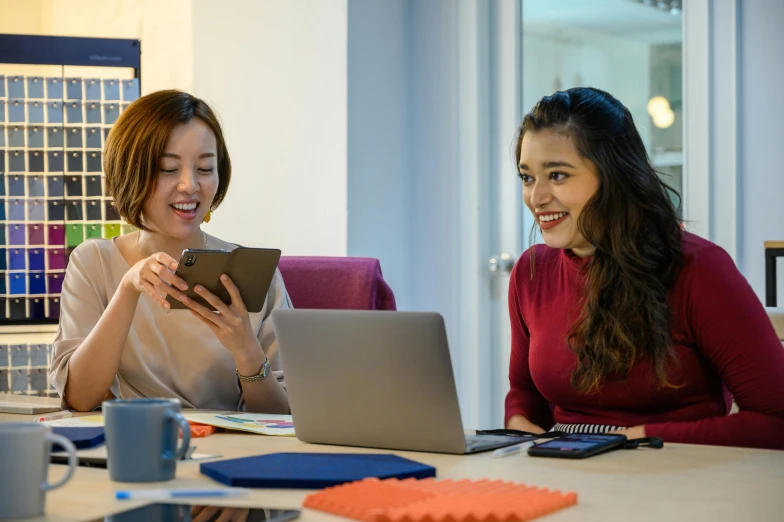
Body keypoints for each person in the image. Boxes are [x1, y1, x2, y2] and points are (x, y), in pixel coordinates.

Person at [505, 87, 784, 449]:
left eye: (557, 175)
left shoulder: (699, 269)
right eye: (527, 177)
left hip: (676, 477)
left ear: (614, 176)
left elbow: (776, 421)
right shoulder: (531, 272)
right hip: (568, 476)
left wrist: (633, 440)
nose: (536, 197)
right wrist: (519, 424)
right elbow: (525, 392)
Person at [49, 90, 291, 413]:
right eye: (168, 169)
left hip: (234, 456)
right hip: (136, 450)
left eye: (205, 169)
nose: (190, 185)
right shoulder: (93, 263)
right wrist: (128, 289)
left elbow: (284, 417)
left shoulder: (255, 273)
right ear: (131, 172)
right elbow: (80, 398)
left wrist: (245, 349)